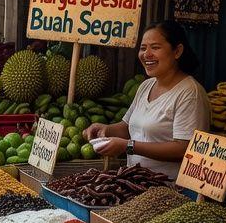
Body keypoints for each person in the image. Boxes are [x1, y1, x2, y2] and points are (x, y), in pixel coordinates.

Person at [83, 21, 211, 179]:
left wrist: (129, 146)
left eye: (155, 47)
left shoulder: (190, 93)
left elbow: (184, 149)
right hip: (135, 182)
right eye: (143, 48)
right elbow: (128, 127)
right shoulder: (146, 86)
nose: (147, 54)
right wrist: (105, 130)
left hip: (169, 188)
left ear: (177, 51)